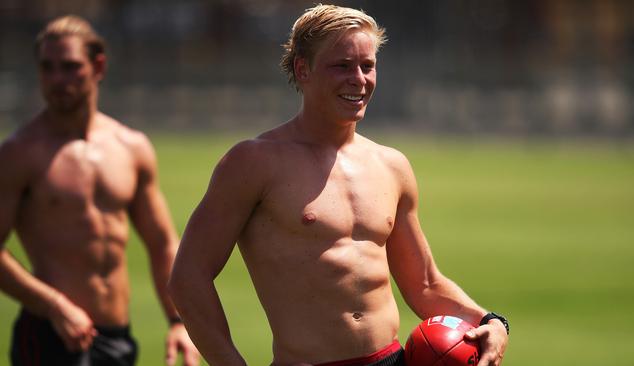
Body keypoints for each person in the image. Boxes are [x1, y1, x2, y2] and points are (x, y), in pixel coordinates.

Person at [169, 4, 509, 366]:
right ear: (303, 69)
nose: (359, 79)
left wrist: (490, 321)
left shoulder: (392, 165)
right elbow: (189, 277)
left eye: (368, 66)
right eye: (342, 66)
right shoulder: (252, 163)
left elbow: (424, 283)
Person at [0, 15, 200, 366]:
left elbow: (162, 242)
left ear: (98, 67)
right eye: (47, 68)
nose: (57, 79)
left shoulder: (131, 146)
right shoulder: (20, 153)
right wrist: (55, 305)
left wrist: (177, 320)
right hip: (51, 334)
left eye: (70, 67)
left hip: (116, 338)